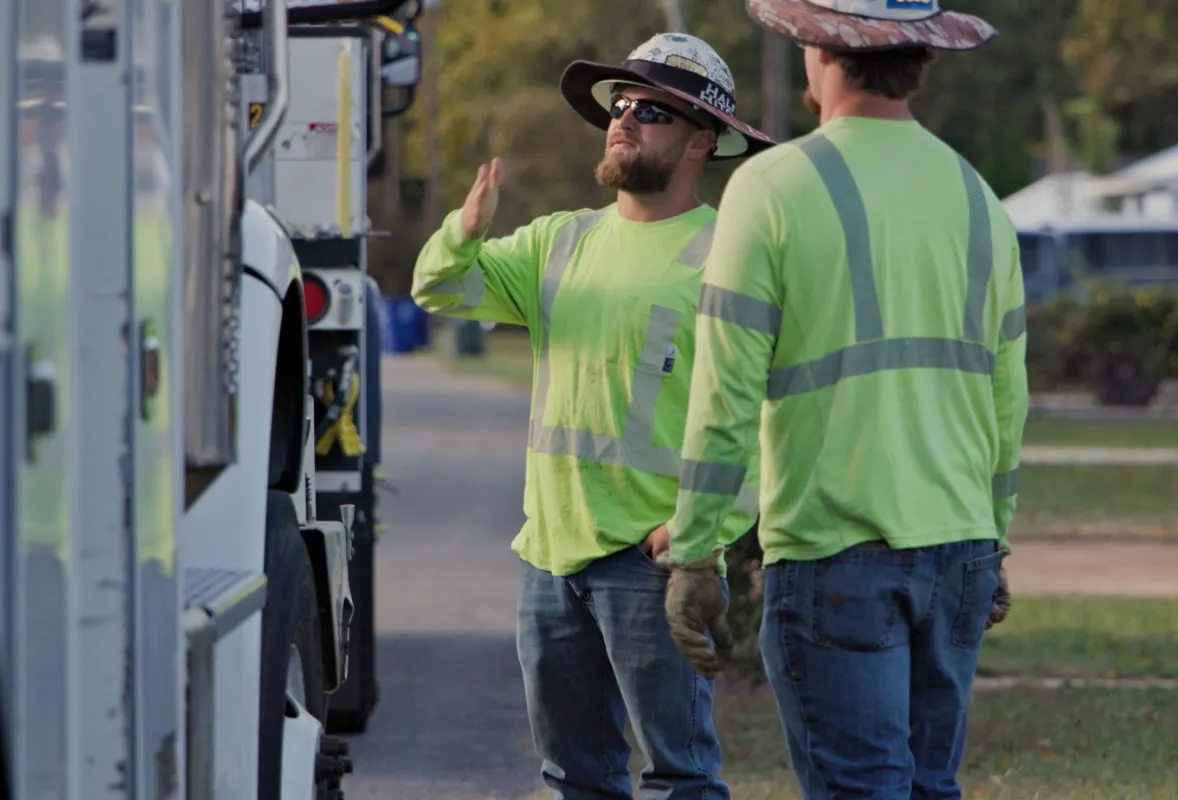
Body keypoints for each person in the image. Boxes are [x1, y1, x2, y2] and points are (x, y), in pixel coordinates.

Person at [654, 1, 1025, 798]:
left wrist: (696, 552)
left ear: (820, 51)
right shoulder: (979, 197)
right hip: (960, 551)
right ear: (921, 56)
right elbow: (1007, 401)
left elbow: (725, 392)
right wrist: (994, 537)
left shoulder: (773, 186)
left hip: (835, 554)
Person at [409, 32, 774, 800]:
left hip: (653, 563)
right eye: (620, 105)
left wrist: (706, 532)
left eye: (651, 111)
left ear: (701, 141)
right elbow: (441, 290)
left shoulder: (727, 257)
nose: (623, 119)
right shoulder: (559, 242)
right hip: (549, 557)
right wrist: (464, 233)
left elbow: (766, 416)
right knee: (574, 777)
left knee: (678, 776)